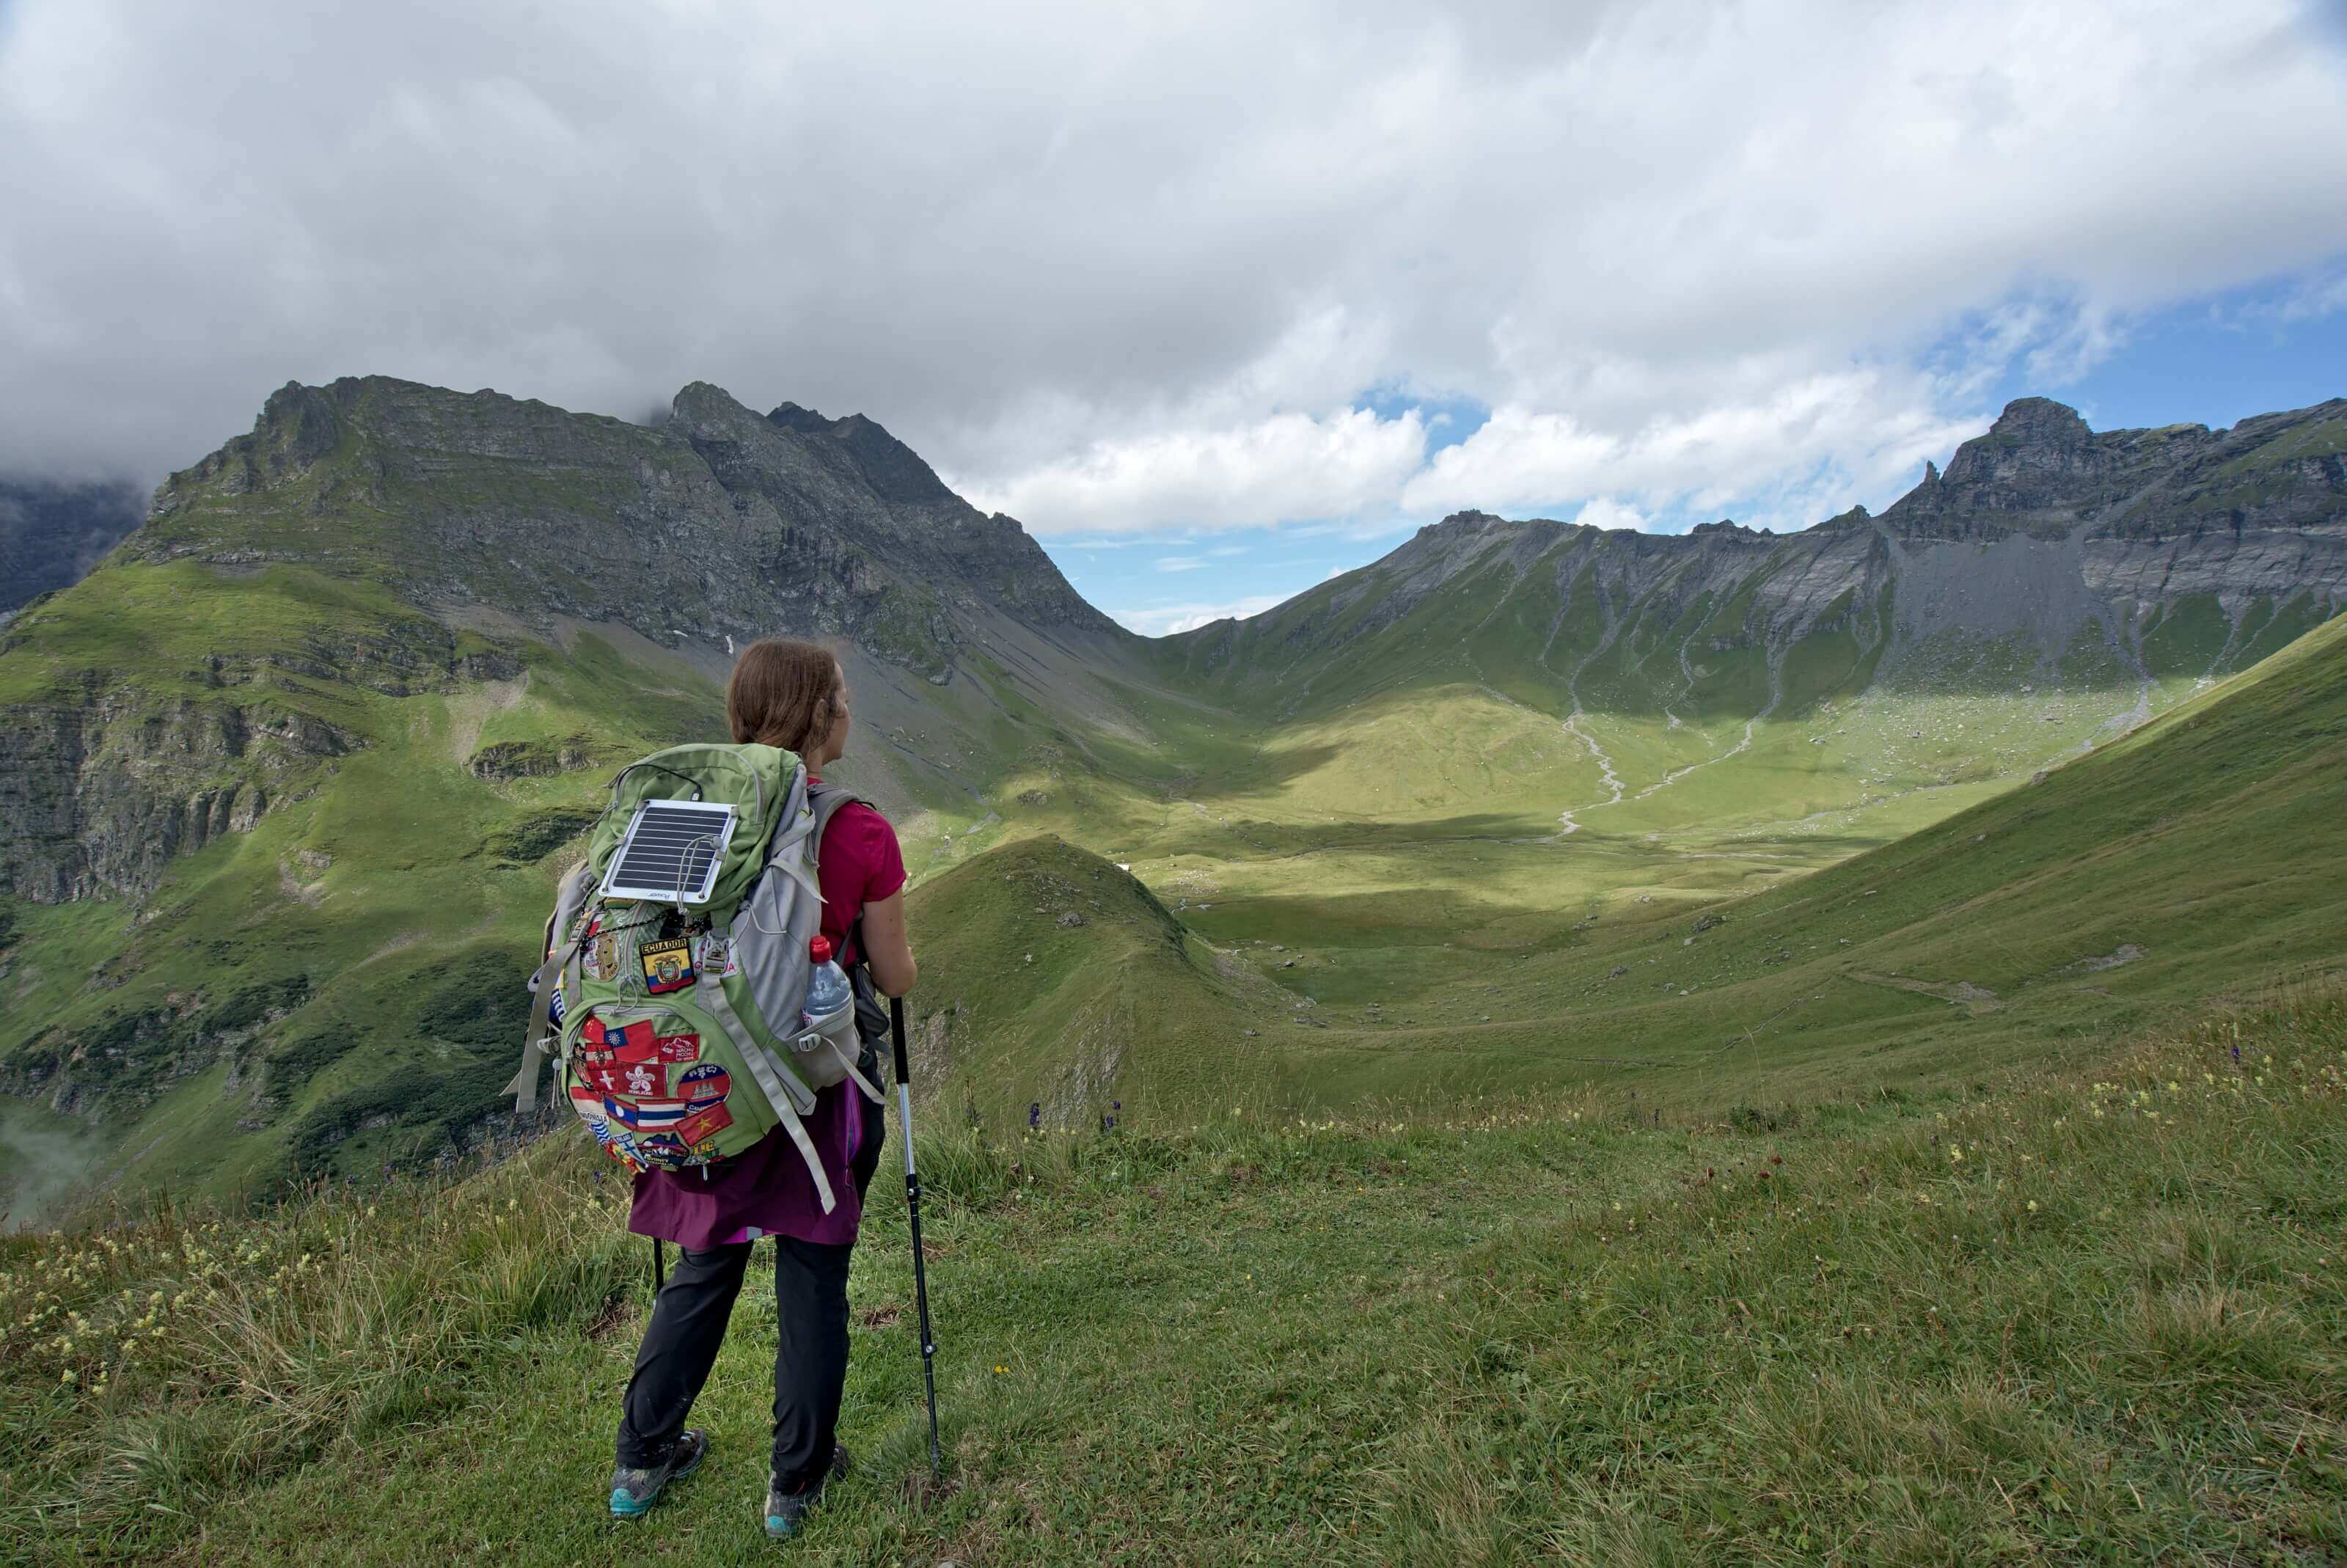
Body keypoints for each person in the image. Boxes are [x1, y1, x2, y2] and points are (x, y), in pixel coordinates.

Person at [606, 637, 918, 1539]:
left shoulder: (686, 813)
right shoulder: (858, 828)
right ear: (819, 717)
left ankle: (641, 1456)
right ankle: (796, 1482)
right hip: (815, 1090)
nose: (851, 706)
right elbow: (894, 979)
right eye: (842, 696)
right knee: (813, 1269)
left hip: (703, 1084)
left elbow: (653, 958)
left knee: (706, 1261)